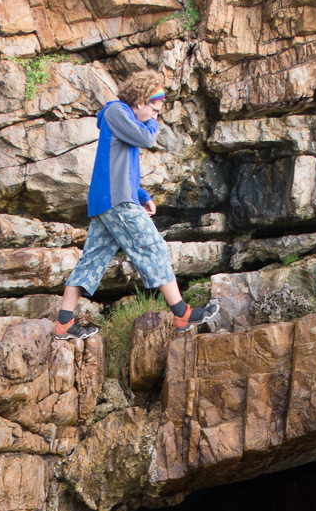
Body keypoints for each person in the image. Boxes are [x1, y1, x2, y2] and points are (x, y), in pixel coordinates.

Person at [53, 72, 220, 337]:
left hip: (111, 199)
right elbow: (147, 139)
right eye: (154, 110)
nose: (155, 116)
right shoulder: (116, 110)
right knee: (154, 247)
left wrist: (143, 196)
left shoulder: (123, 121)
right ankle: (182, 313)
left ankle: (63, 322)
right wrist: (153, 126)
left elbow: (121, 168)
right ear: (140, 101)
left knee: (91, 262)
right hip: (116, 201)